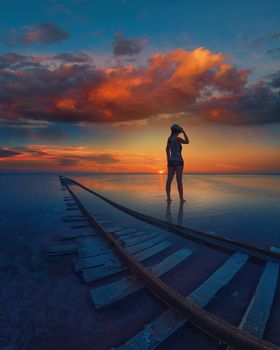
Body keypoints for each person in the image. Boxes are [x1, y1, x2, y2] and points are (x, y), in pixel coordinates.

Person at [166, 124, 189, 203]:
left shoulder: (169, 139)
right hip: (179, 161)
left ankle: (168, 198)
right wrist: (184, 132)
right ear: (178, 131)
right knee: (179, 180)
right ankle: (181, 199)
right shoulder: (177, 138)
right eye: (179, 131)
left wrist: (168, 160)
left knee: (169, 180)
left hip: (171, 161)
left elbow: (167, 149)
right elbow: (187, 142)